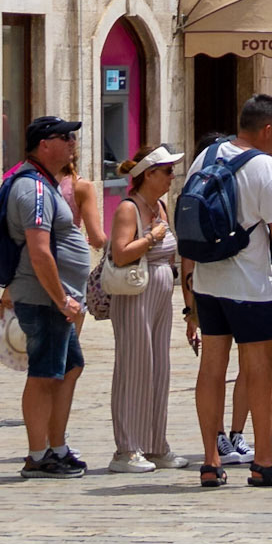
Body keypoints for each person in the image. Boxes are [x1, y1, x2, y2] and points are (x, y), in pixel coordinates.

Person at [182, 93, 272, 491]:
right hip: (250, 285)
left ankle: (211, 462)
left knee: (211, 369)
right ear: (268, 129)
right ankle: (263, 462)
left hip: (208, 281)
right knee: (258, 370)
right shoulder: (265, 167)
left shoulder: (206, 156)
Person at [6, 114, 92, 478]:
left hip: (54, 297)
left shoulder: (47, 183)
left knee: (69, 368)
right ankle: (38, 455)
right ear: (44, 144)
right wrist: (62, 298)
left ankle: (56, 446)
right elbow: (40, 251)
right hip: (44, 298)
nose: (72, 143)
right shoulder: (34, 189)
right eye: (65, 137)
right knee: (43, 374)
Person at [105, 142, 182, 473]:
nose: (171, 177)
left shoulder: (161, 206)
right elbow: (120, 253)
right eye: (166, 171)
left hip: (161, 296)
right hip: (135, 295)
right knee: (134, 368)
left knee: (158, 369)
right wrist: (151, 238)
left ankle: (155, 444)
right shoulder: (128, 209)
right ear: (148, 174)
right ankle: (126, 449)